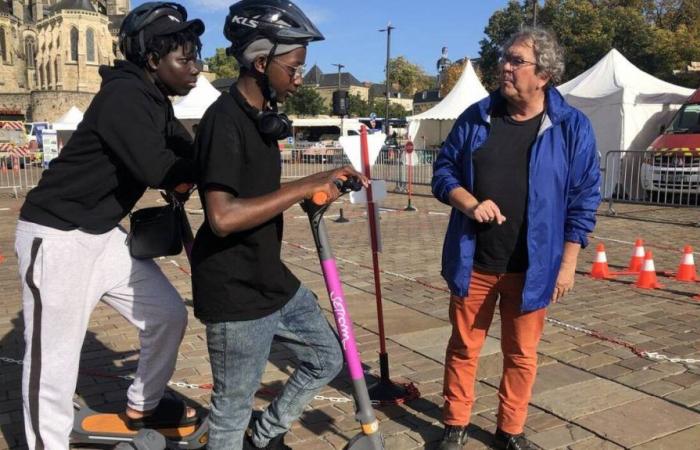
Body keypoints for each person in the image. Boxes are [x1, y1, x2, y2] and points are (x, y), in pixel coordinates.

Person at [14, 3, 204, 448]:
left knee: (166, 315)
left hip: (101, 236)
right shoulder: (124, 97)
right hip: (56, 237)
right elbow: (160, 167)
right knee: (54, 361)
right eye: (185, 57)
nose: (195, 67)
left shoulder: (154, 101)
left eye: (196, 55)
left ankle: (144, 404)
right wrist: (199, 170)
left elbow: (188, 149)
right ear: (154, 61)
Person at [190, 1, 368, 449]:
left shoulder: (261, 118)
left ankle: (265, 434)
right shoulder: (223, 121)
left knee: (327, 357)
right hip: (235, 290)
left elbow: (259, 193)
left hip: (270, 278)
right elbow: (223, 216)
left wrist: (318, 186)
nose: (299, 78)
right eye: (294, 68)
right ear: (261, 62)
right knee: (230, 412)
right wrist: (306, 184)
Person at [431, 27, 600, 450]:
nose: (504, 67)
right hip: (476, 260)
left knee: (521, 354)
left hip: (534, 267)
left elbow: (583, 197)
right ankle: (455, 423)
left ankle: (510, 430)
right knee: (464, 347)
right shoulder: (477, 116)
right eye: (504, 58)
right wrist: (468, 203)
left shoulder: (570, 126)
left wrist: (568, 262)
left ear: (543, 74)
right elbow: (443, 171)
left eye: (516, 60)